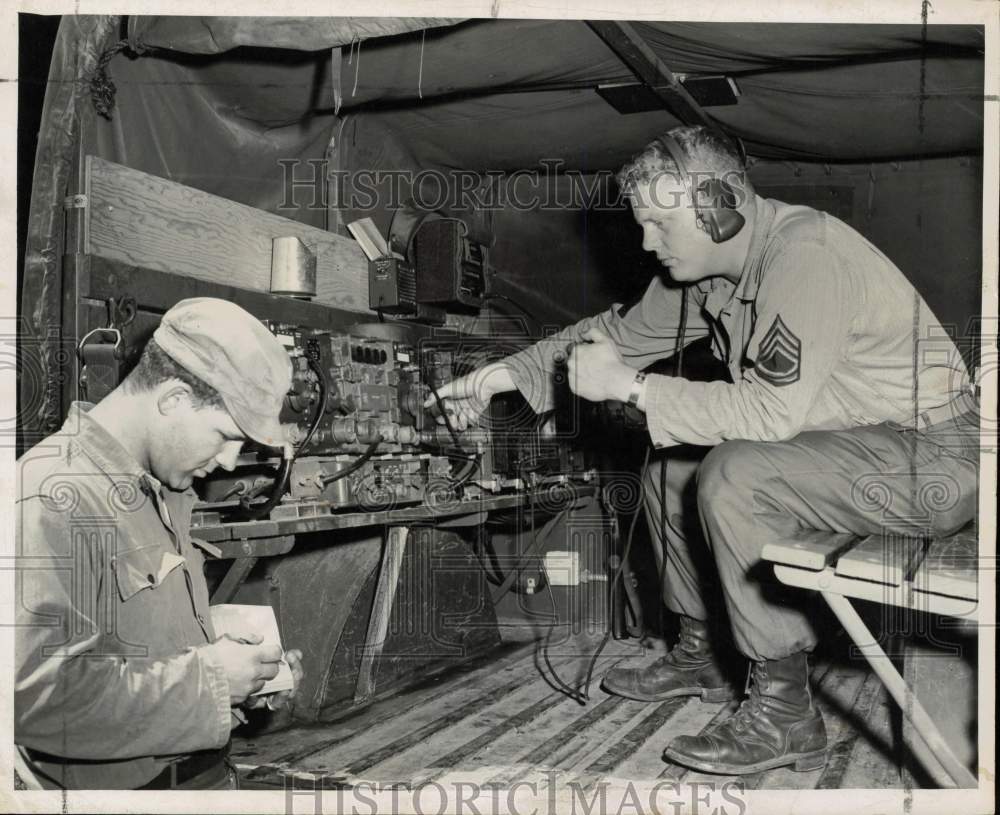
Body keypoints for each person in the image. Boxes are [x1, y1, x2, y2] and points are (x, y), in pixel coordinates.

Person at [428, 126, 978, 775]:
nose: (645, 241)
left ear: (719, 208)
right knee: (674, 464)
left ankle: (785, 713)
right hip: (860, 440)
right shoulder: (704, 271)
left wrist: (631, 385)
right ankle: (701, 656)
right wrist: (497, 378)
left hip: (933, 455)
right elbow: (611, 333)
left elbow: (767, 414)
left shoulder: (805, 256)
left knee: (735, 473)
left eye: (660, 223)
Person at [15, 297, 305, 789]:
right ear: (172, 398)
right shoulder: (53, 492)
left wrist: (240, 679)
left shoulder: (160, 489)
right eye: (225, 435)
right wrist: (213, 680)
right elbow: (40, 701)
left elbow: (140, 656)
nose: (232, 463)